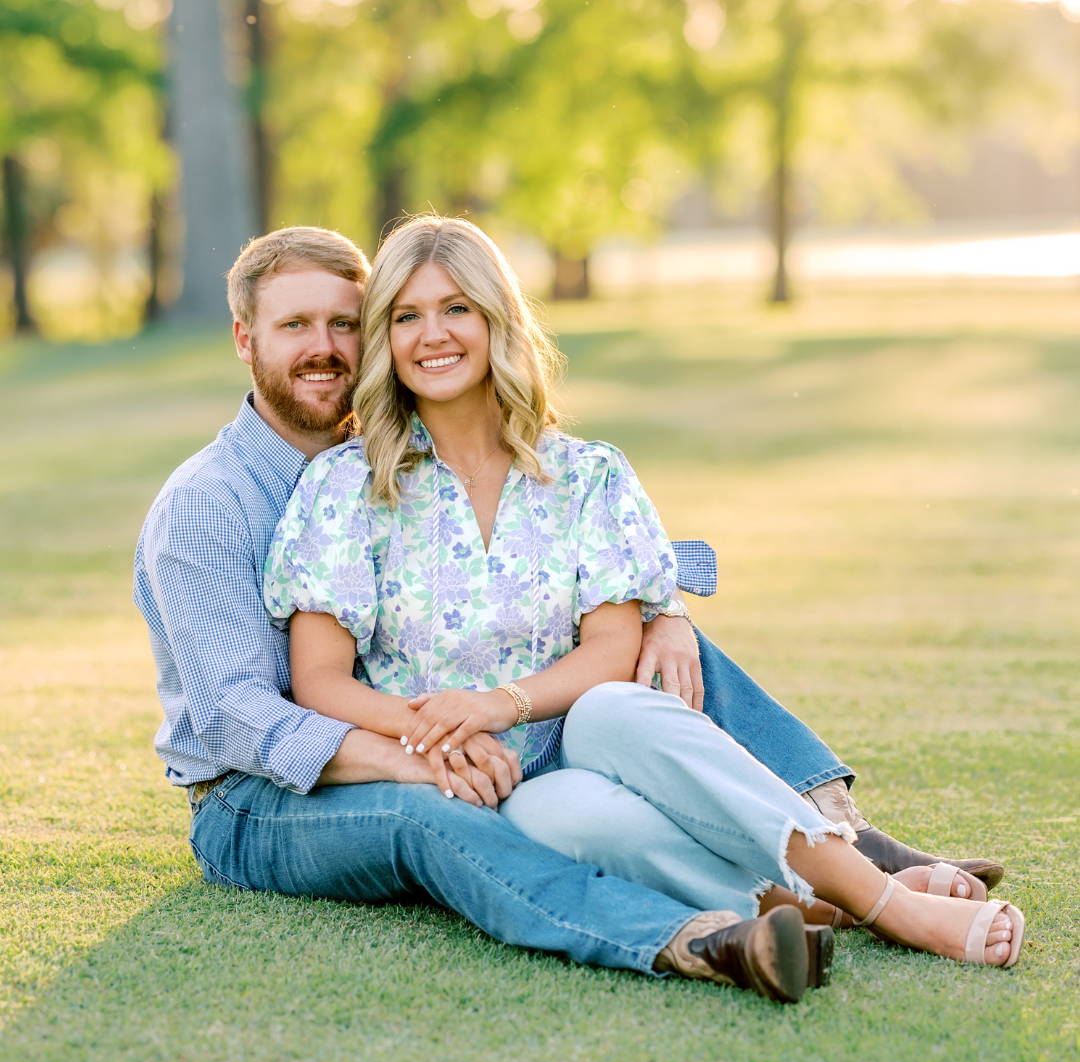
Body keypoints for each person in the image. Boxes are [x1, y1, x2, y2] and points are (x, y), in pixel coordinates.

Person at [131, 224, 1013, 1006]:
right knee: (517, 817)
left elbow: (563, 564)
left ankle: (856, 858)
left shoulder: (529, 463)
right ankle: (732, 928)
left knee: (648, 669)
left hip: (504, 738)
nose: (326, 347)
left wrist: (660, 606)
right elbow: (248, 715)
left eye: (343, 324)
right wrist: (422, 753)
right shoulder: (243, 499)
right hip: (264, 791)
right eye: (297, 325)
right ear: (246, 339)